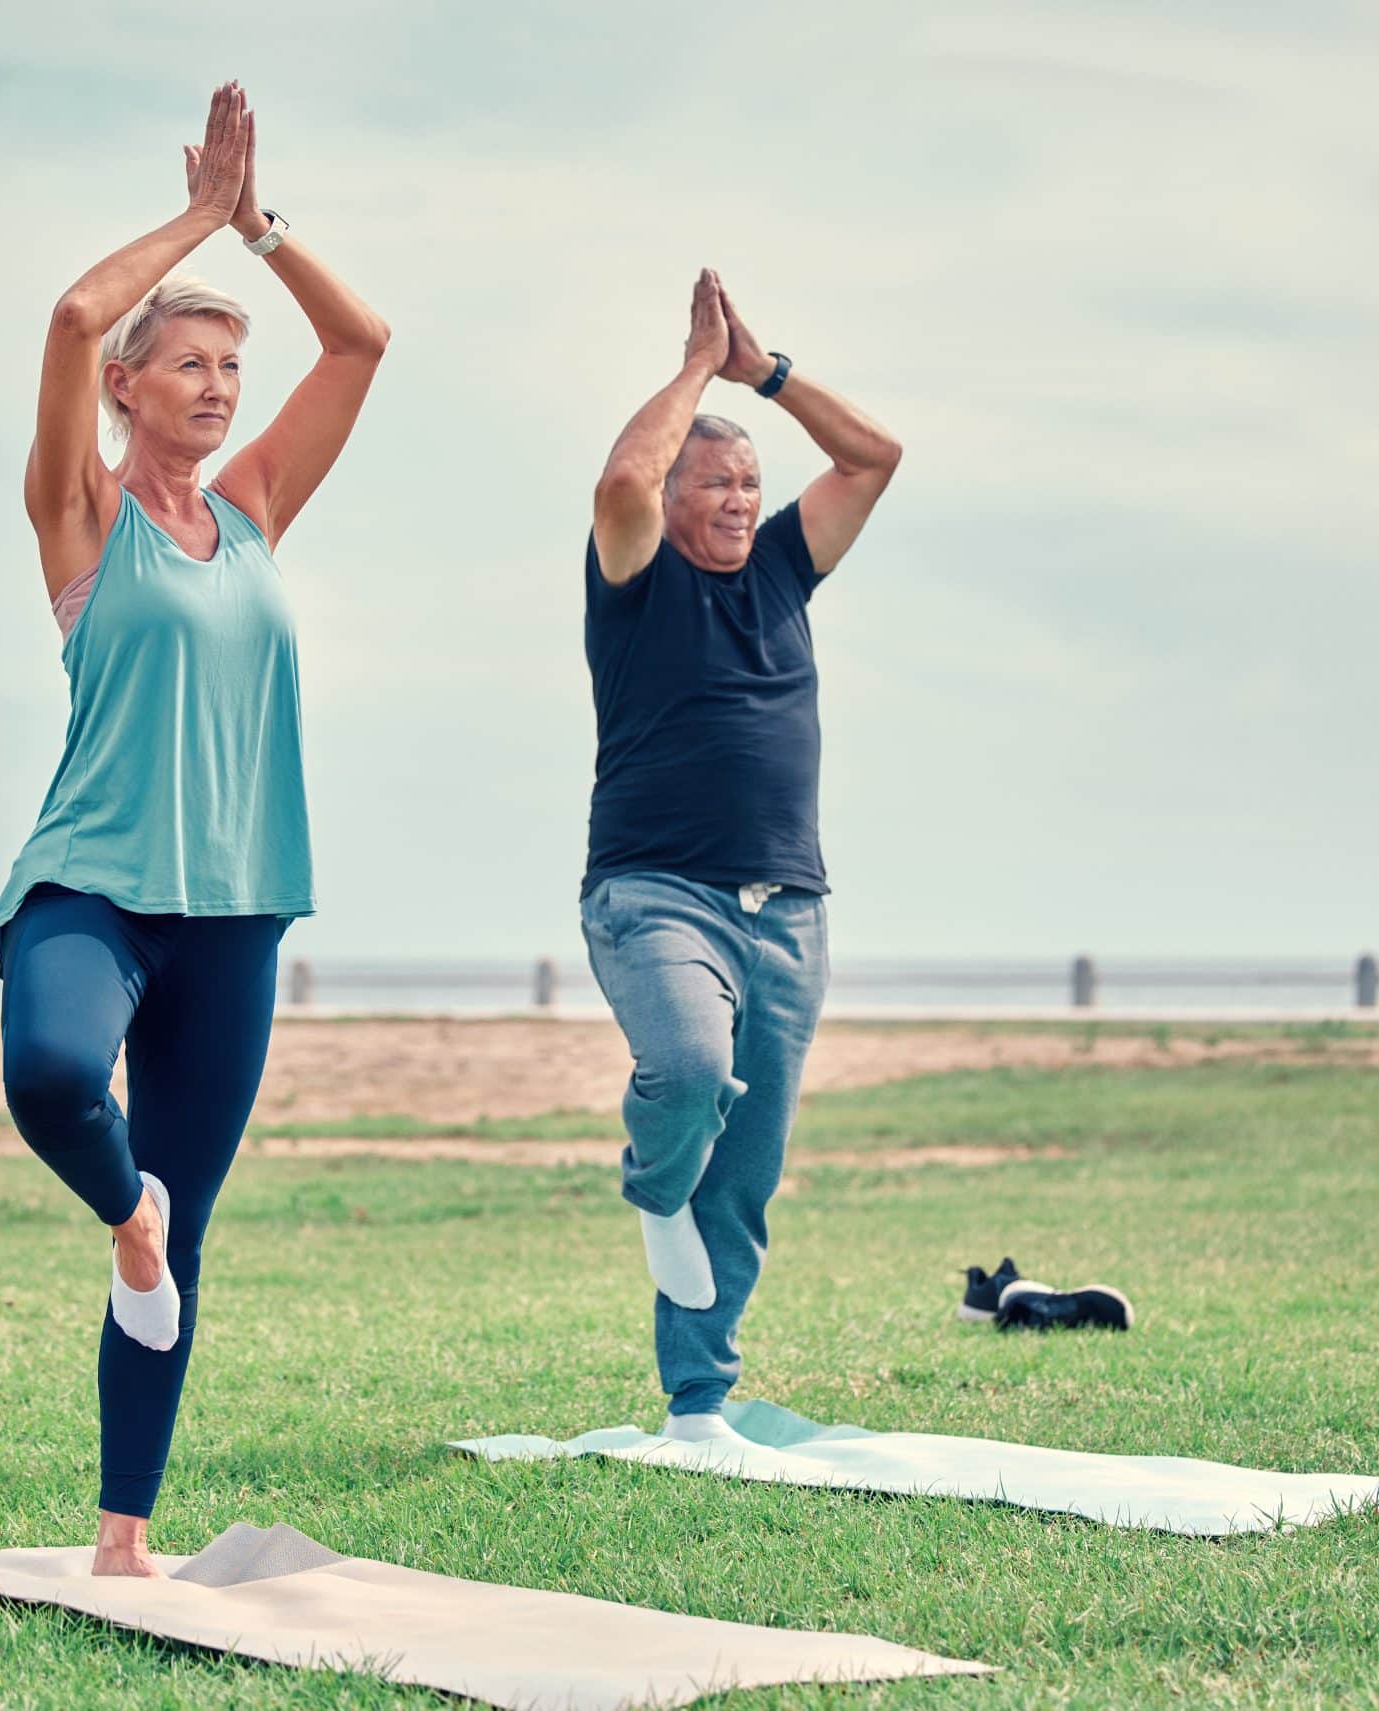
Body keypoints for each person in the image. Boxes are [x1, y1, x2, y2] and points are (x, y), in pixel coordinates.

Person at [0, 83, 389, 1576]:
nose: (219, 386)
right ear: (130, 388)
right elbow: (70, 312)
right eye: (192, 363)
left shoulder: (261, 508)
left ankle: (120, 1537)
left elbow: (364, 345)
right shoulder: (81, 513)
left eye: (232, 364)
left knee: (189, 1228)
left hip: (236, 908)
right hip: (89, 884)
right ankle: (123, 1204)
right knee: (47, 1075)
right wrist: (197, 218)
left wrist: (264, 228)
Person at [580, 268, 901, 1443]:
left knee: (750, 1170)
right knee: (684, 1067)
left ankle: (698, 1403)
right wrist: (690, 372)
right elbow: (623, 476)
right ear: (672, 496)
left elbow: (875, 456)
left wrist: (762, 372)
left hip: (791, 908)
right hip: (654, 893)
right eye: (712, 481)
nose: (734, 498)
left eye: (748, 482)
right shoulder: (632, 575)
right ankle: (652, 1185)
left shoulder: (780, 567)